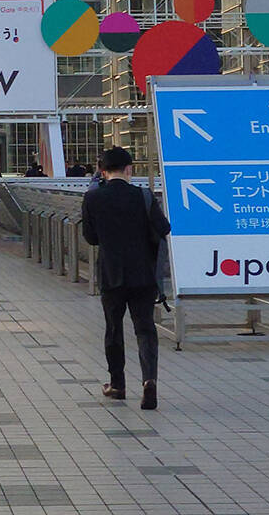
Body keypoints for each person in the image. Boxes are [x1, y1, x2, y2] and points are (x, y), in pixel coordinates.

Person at [80, 147, 170, 411]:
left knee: (113, 329)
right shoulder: (143, 196)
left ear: (102, 171)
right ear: (129, 169)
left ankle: (117, 384)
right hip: (143, 274)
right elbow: (164, 228)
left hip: (111, 273)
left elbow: (91, 238)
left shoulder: (92, 198)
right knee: (145, 328)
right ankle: (149, 381)